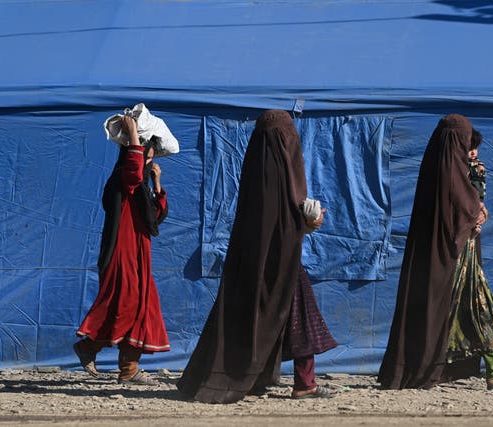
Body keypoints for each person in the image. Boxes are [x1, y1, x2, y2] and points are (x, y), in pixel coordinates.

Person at [176, 109, 337, 403]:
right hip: (284, 262)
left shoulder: (255, 173)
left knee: (249, 316)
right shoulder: (285, 179)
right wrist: (309, 221)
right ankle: (304, 382)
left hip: (249, 263)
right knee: (302, 313)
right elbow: (288, 222)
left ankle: (255, 377)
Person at [378, 114, 493, 391]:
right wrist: (476, 212)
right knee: (481, 307)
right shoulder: (453, 172)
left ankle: (428, 369)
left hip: (438, 259)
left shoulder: (436, 169)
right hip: (458, 256)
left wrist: (475, 211)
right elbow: (465, 205)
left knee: (444, 312)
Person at [74, 115, 170, 385]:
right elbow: (131, 170)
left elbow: (156, 217)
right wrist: (132, 135)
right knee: (125, 302)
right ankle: (90, 348)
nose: (152, 155)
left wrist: (156, 184)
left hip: (139, 254)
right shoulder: (122, 180)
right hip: (122, 251)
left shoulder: (140, 188)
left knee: (141, 305)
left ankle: (128, 367)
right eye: (149, 150)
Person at [468, 129, 486, 202]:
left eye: (475, 148)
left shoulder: (478, 164)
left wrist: (480, 202)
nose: (473, 152)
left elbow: (480, 187)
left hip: (474, 202)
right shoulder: (459, 164)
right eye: (469, 149)